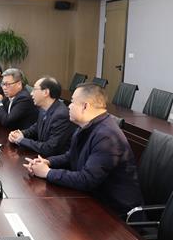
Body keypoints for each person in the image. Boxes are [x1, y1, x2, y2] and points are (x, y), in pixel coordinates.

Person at [23, 83, 143, 216]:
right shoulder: (86, 126)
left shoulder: (107, 137)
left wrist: (48, 173)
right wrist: (47, 162)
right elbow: (71, 156)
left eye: (72, 102)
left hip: (114, 212)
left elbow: (87, 179)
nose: (69, 106)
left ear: (85, 106)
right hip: (93, 200)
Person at [9, 76, 76, 157]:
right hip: (41, 156)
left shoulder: (61, 115)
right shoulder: (43, 108)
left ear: (46, 92)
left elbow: (50, 148)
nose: (31, 93)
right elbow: (36, 128)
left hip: (54, 160)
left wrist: (21, 140)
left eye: (34, 89)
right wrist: (21, 133)